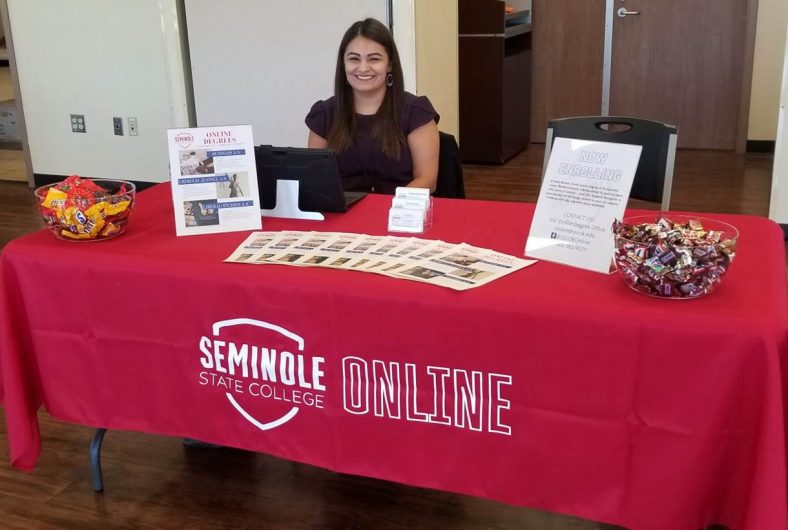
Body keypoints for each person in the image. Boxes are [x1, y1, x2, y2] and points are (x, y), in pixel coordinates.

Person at [305, 18, 440, 194]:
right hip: (341, 215)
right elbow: (315, 179)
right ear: (343, 64)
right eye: (354, 59)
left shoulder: (416, 113)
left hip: (398, 214)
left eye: (374, 59)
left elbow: (427, 181)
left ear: (390, 64)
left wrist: (389, 211)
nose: (363, 68)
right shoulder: (323, 115)